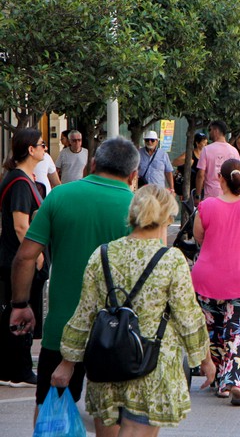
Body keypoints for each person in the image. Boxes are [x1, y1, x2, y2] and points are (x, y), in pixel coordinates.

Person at [50, 185, 214, 435]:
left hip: (106, 365)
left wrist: (67, 363)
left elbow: (85, 314)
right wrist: (204, 358)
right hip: (150, 368)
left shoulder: (102, 254)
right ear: (168, 219)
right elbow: (188, 316)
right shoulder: (171, 260)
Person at [9, 137, 140, 428]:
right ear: (133, 175)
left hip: (63, 327)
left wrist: (20, 304)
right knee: (109, 412)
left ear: (92, 165)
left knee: (49, 404)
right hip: (118, 331)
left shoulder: (59, 197)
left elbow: (25, 257)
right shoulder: (138, 209)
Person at [192, 160, 240, 405]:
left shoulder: (205, 206)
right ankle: (234, 381)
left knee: (214, 332)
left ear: (220, 178)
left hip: (208, 280)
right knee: (239, 332)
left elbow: (199, 238)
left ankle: (219, 380)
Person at [1, 128, 47, 387]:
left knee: (12, 312)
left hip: (14, 258)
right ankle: (18, 370)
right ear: (30, 150)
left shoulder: (23, 178)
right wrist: (35, 255)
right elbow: (21, 226)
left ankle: (10, 368)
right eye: (42, 145)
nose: (45, 149)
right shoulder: (19, 182)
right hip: (17, 261)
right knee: (20, 312)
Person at [196, 121, 238, 200]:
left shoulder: (206, 150)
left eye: (210, 130)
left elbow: (200, 175)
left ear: (216, 131)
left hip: (211, 195)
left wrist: (197, 195)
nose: (209, 133)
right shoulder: (234, 151)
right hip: (229, 195)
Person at [172, 132, 207, 196]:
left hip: (200, 186)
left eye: (206, 143)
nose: (206, 145)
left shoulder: (206, 155)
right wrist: (187, 161)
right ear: (197, 143)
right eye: (204, 143)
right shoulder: (190, 154)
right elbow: (174, 162)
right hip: (189, 186)